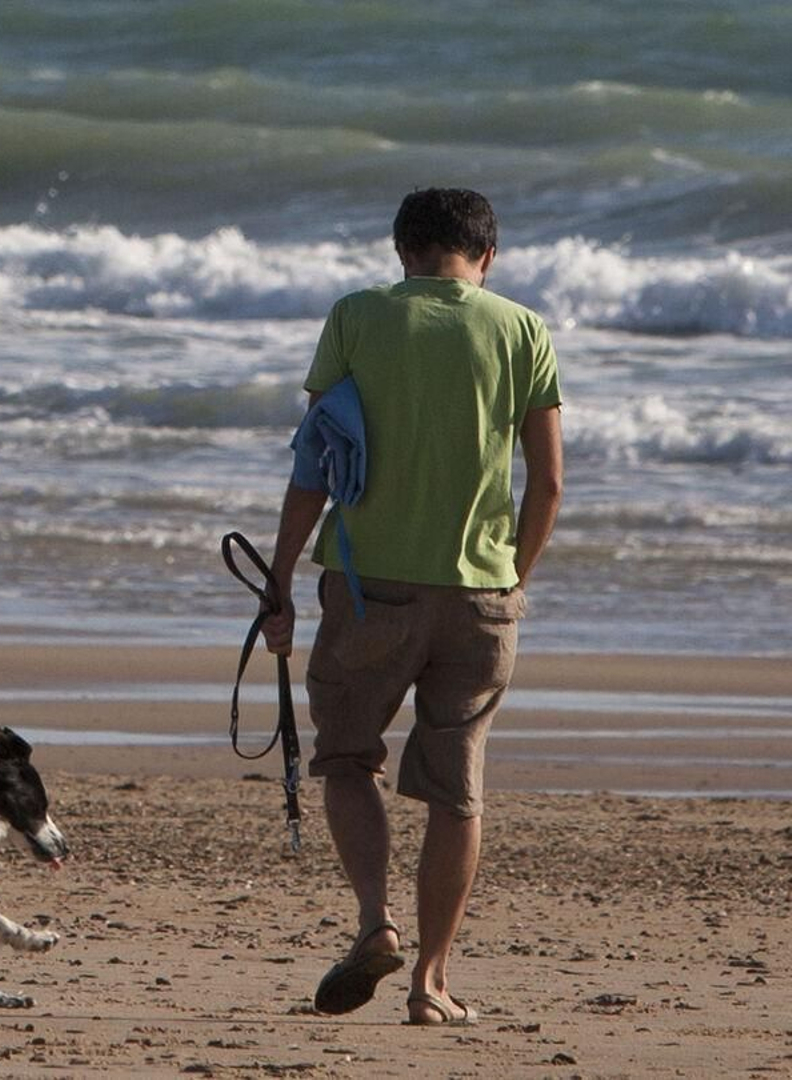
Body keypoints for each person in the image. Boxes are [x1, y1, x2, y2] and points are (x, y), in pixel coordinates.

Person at [260, 188, 563, 1025]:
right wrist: (512, 579)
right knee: (457, 789)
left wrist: (279, 578)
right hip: (480, 594)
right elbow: (549, 483)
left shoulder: (357, 317)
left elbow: (314, 465)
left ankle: (374, 922)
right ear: (488, 256)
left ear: (402, 253)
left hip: (369, 590)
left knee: (347, 759)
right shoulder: (523, 330)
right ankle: (431, 983)